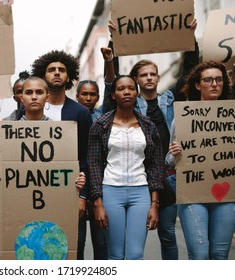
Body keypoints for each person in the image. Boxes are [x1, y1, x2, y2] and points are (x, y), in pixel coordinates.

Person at [102, 19, 199, 260]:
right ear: (134, 81)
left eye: (153, 74)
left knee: (167, 232)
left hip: (167, 174)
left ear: (157, 78)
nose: (149, 78)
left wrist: (190, 38)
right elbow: (111, 85)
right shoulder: (129, 106)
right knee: (130, 239)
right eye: (143, 75)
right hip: (136, 176)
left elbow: (188, 72)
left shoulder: (169, 99)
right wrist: (113, 42)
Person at [88, 75, 165, 260]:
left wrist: (155, 204)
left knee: (136, 255)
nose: (127, 92)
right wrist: (98, 203)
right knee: (115, 255)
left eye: (131, 88)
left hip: (141, 192)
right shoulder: (101, 124)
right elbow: (94, 164)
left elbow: (156, 165)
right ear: (113, 95)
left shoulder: (148, 126)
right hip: (111, 190)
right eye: (121, 89)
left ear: (137, 93)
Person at [166, 60, 235, 260]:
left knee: (220, 254)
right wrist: (175, 152)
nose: (214, 84)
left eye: (219, 79)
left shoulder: (231, 116)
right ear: (198, 85)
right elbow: (169, 161)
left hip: (226, 195)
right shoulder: (183, 117)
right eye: (208, 80)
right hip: (192, 195)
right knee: (199, 255)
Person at [29, 50, 92, 259]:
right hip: (37, 192)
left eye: (61, 70)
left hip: (70, 192)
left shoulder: (80, 113)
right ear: (43, 75)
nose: (57, 73)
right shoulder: (31, 110)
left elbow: (86, 157)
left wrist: (82, 196)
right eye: (51, 70)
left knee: (74, 247)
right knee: (40, 248)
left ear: (69, 76)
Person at [0, 75, 86, 203]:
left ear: (47, 97)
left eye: (39, 92)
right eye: (29, 92)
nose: (34, 97)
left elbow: (65, 175)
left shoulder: (61, 133)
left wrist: (77, 181)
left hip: (51, 205)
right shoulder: (7, 132)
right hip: (18, 205)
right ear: (21, 98)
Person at [75, 79, 107, 260]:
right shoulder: (68, 117)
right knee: (77, 242)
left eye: (92, 94)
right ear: (77, 95)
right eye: (84, 94)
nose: (88, 98)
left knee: (101, 243)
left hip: (99, 186)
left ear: (98, 97)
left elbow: (111, 83)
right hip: (76, 185)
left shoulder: (104, 117)